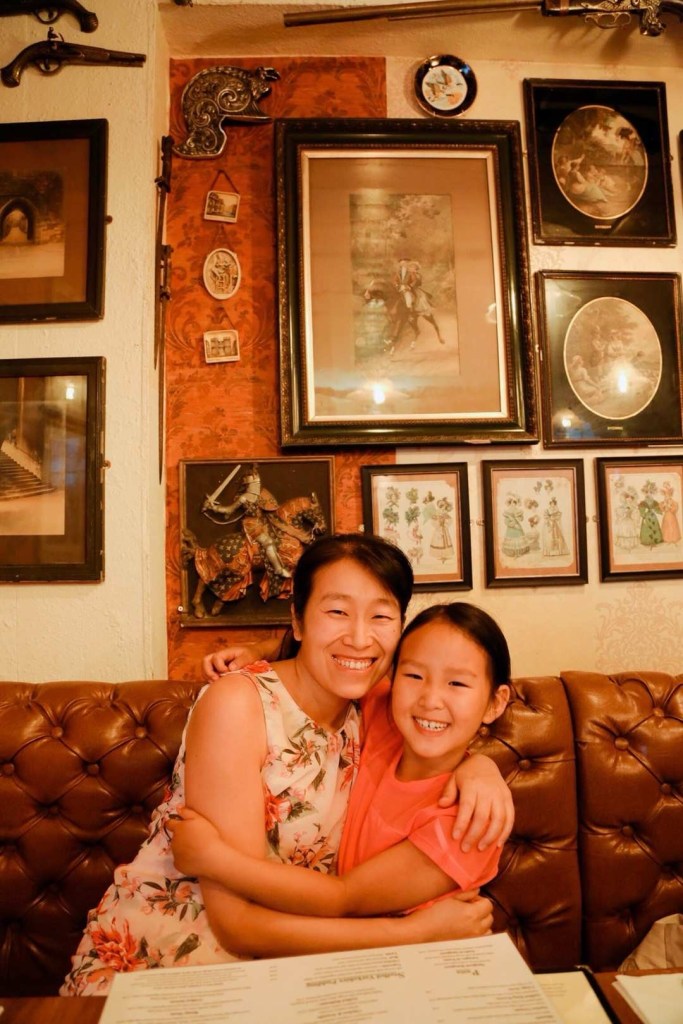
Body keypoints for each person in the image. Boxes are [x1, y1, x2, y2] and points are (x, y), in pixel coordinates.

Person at [61, 534, 513, 996]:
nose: (360, 638)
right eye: (336, 612)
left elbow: (445, 716)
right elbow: (236, 926)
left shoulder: (376, 705)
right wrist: (412, 936)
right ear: (298, 619)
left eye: (380, 616)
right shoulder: (238, 705)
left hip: (294, 971)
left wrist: (481, 767)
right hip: (167, 957)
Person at [169, 602, 510, 922]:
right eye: (414, 676)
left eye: (457, 683)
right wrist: (259, 651)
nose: (430, 699)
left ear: (496, 703)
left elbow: (343, 897)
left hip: (403, 953)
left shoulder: (473, 821)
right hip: (330, 943)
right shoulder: (386, 719)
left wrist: (214, 859)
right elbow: (333, 658)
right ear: (392, 678)